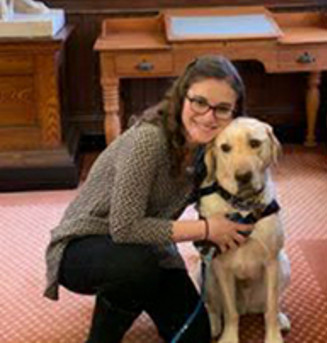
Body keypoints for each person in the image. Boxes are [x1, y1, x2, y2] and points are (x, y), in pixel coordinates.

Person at [44, 55, 253, 343]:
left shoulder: (212, 151)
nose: (208, 116)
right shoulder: (148, 140)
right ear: (182, 96)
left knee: (196, 337)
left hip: (148, 248)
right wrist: (207, 229)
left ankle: (128, 292)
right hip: (83, 245)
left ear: (234, 113)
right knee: (135, 267)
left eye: (222, 109)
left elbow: (222, 205)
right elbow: (125, 228)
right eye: (199, 102)